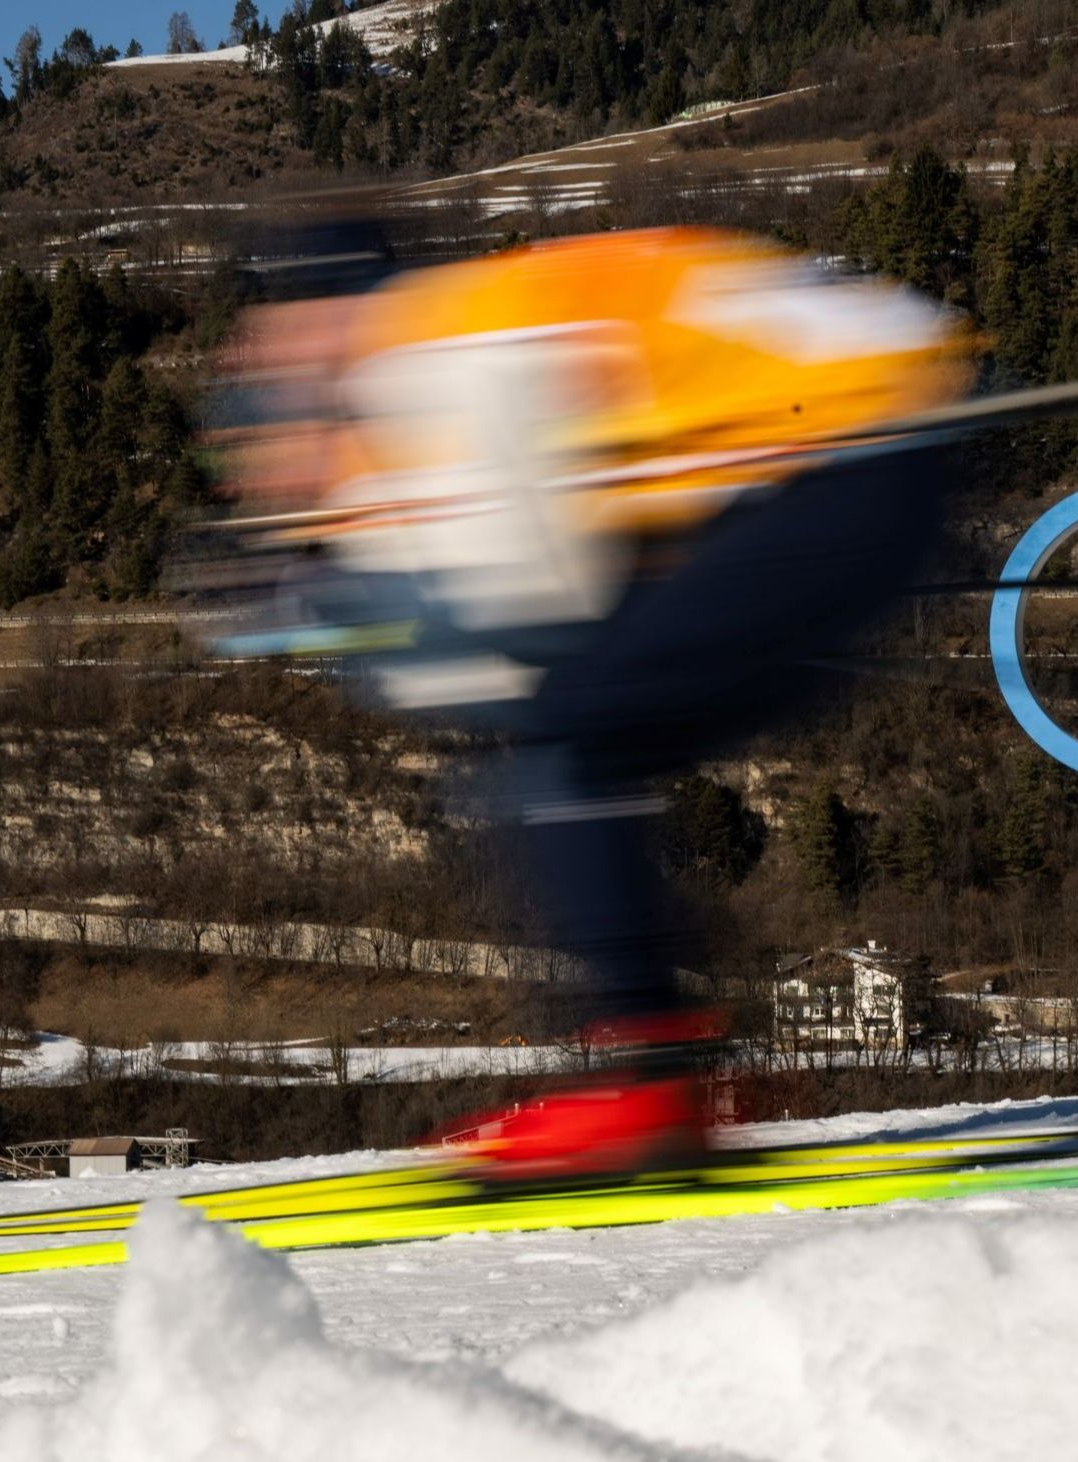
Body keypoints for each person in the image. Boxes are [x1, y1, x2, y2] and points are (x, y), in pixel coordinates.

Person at [212, 225, 976, 1179]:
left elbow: (535, 596)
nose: (278, 385)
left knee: (567, 751)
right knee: (583, 749)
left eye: (281, 356)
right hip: (860, 461)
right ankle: (670, 1070)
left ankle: (650, 1082)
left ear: (331, 316)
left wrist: (342, 605)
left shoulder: (437, 341)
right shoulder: (458, 325)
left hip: (839, 462)